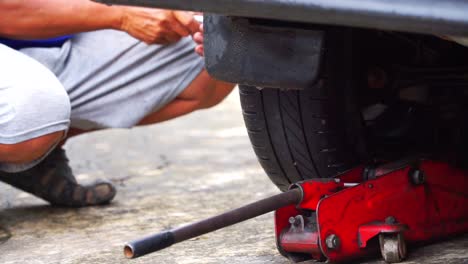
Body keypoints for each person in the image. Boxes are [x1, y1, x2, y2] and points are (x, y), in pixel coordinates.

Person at [0, 1, 235, 207]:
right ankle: (19, 141)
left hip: (46, 38)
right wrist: (122, 16)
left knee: (226, 48)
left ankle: (34, 156)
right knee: (35, 112)